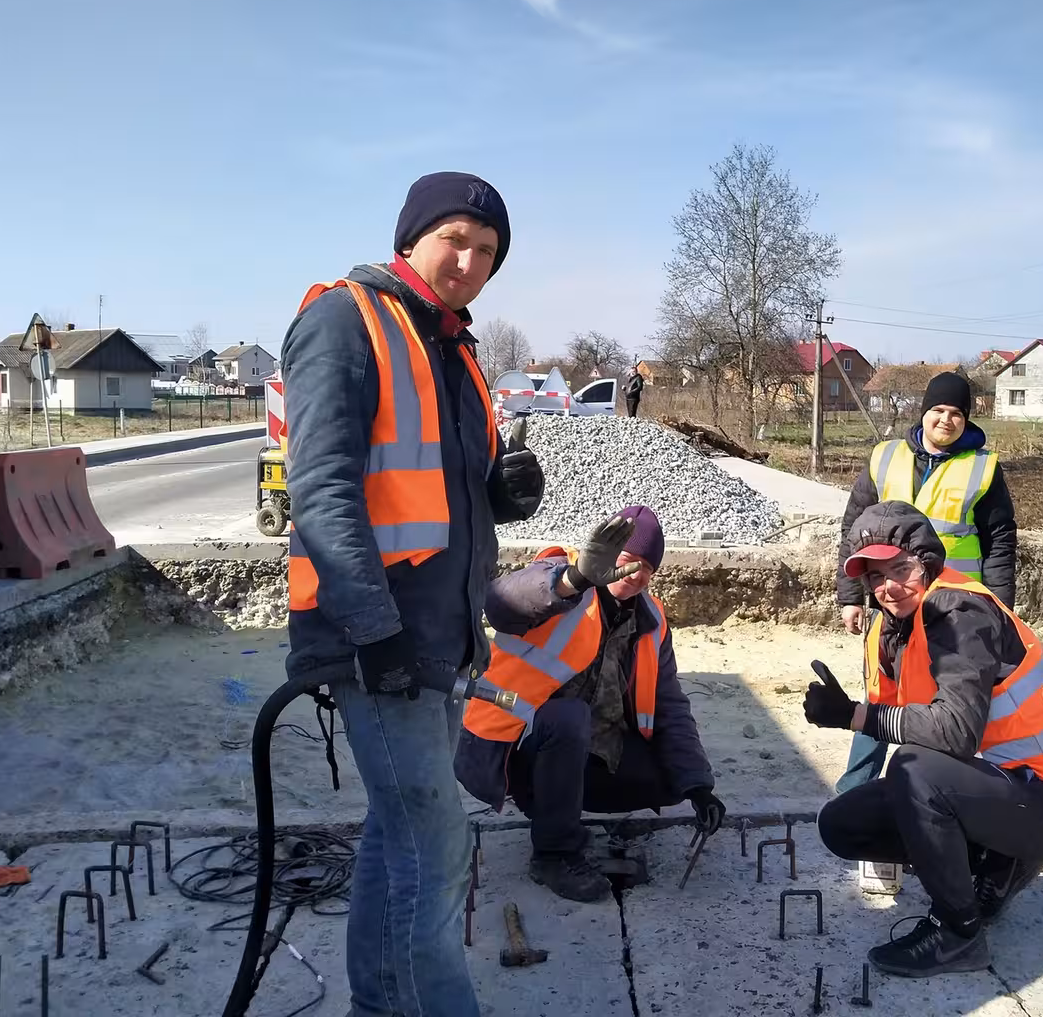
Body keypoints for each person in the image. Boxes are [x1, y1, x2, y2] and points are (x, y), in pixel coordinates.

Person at [281, 171, 545, 1017]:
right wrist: (374, 629)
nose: (470, 261)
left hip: (437, 637)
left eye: (487, 251)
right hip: (379, 640)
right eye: (454, 240)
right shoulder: (345, 321)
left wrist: (501, 492)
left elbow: (429, 490)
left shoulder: (453, 346)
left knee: (398, 836)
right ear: (411, 239)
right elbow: (321, 487)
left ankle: (377, 1005)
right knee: (435, 849)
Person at [807, 501, 1043, 979]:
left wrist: (853, 716)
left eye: (900, 569)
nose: (888, 587)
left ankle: (959, 935)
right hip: (994, 788)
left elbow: (955, 732)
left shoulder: (960, 612)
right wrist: (853, 720)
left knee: (913, 768)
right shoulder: (893, 627)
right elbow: (898, 717)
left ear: (927, 562)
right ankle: (998, 865)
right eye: (876, 577)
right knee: (843, 823)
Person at [456, 505, 725, 902]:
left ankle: (561, 809)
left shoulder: (650, 620)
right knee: (569, 717)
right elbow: (498, 604)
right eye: (628, 560)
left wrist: (698, 785)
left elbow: (669, 705)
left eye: (647, 568)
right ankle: (554, 854)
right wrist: (576, 578)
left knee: (673, 779)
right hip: (510, 750)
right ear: (608, 553)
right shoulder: (562, 577)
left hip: (585, 754)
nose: (635, 575)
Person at [835, 370, 1017, 793]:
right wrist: (851, 597)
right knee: (882, 690)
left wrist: (1000, 608)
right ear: (923, 413)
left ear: (966, 419)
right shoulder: (884, 458)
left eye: (956, 413)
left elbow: (1000, 542)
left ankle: (926, 787)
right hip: (890, 601)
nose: (946, 420)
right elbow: (852, 530)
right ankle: (854, 789)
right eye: (938, 410)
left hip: (952, 609)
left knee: (944, 699)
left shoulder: (983, 468)